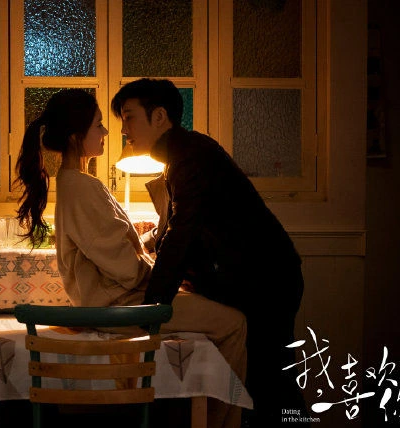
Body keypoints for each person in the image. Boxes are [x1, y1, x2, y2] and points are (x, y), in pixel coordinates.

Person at [15, 88, 248, 428]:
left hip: (116, 299)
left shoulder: (78, 183)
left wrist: (147, 250)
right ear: (77, 136)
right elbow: (125, 268)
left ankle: (197, 414)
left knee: (209, 309)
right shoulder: (80, 187)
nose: (107, 131)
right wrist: (159, 273)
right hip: (120, 305)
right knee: (234, 324)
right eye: (99, 125)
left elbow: (111, 249)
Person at [110, 78, 308, 427]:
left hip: (266, 280)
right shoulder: (182, 155)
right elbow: (177, 226)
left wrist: (152, 308)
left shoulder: (190, 157)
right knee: (264, 383)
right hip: (258, 276)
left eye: (129, 117)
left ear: (159, 117)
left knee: (271, 384)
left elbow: (182, 233)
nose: (123, 129)